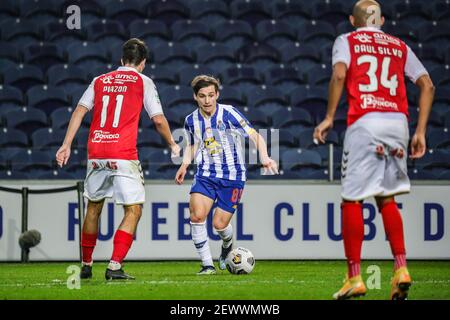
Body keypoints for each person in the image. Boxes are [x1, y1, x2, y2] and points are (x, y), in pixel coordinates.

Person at [313, 0, 435, 300]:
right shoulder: (399, 46)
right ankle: (401, 269)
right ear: (381, 21)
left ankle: (354, 276)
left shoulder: (347, 40)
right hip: (398, 124)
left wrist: (329, 117)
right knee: (386, 197)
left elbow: (340, 75)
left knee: (351, 200)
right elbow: (428, 85)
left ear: (353, 21)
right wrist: (419, 132)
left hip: (365, 123)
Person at [56, 38, 179, 280]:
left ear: (121, 60)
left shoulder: (99, 80)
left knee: (93, 207)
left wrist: (66, 144)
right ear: (142, 63)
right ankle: (114, 266)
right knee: (133, 210)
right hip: (122, 153)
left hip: (96, 152)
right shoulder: (143, 81)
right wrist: (173, 144)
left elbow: (79, 110)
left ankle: (86, 265)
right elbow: (158, 119)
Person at [175, 75, 278, 275]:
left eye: (211, 95)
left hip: (233, 177)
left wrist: (264, 157)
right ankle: (207, 265)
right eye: (202, 96)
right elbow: (193, 144)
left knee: (219, 224)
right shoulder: (191, 120)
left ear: (217, 95)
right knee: (197, 216)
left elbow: (255, 135)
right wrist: (184, 165)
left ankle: (227, 243)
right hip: (205, 175)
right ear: (195, 97)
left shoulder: (229, 113)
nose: (207, 100)